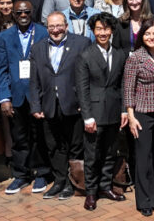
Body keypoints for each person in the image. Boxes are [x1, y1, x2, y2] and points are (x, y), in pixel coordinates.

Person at [28, 12, 88, 201]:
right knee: (54, 146)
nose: (55, 30)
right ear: (47, 28)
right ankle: (59, 181)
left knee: (74, 146)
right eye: (51, 27)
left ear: (66, 26)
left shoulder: (81, 44)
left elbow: (87, 77)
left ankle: (73, 183)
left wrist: (84, 104)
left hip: (73, 105)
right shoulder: (38, 48)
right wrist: (36, 105)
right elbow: (34, 80)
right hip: (49, 106)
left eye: (59, 26)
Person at [0, 0, 51, 195]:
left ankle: (42, 173)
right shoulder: (4, 37)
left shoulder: (44, 33)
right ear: (13, 14)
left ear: (32, 12)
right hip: (16, 96)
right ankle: (21, 175)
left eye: (26, 12)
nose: (23, 16)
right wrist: (4, 98)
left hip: (39, 95)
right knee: (19, 138)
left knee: (40, 136)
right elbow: (1, 69)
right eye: (19, 13)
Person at [74, 13, 128, 211]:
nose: (102, 33)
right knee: (92, 155)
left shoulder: (120, 54)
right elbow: (82, 89)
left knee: (109, 153)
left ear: (112, 30)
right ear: (93, 31)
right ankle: (91, 192)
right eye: (98, 29)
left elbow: (123, 84)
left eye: (106, 29)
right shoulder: (85, 56)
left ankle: (106, 187)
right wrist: (87, 116)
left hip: (114, 112)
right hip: (94, 114)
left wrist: (124, 111)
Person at [123, 19, 154, 216]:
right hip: (143, 112)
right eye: (147, 34)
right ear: (141, 36)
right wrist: (131, 116)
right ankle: (144, 200)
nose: (151, 37)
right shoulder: (135, 58)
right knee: (144, 157)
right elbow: (128, 88)